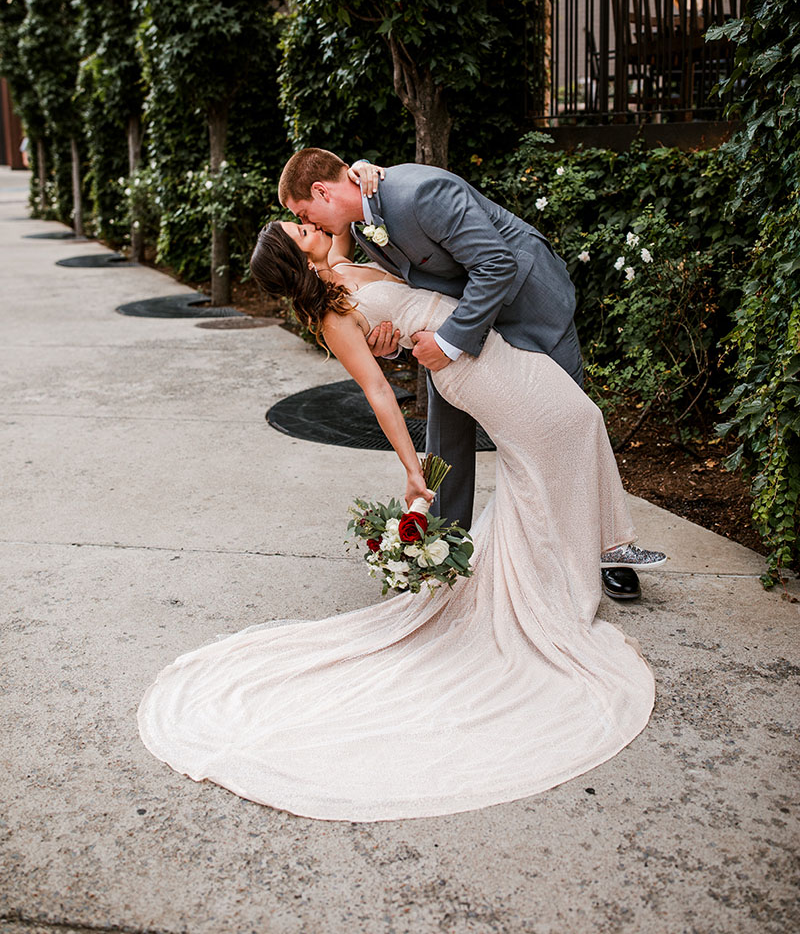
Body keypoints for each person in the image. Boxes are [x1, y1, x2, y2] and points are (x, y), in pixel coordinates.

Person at [137, 214, 660, 821]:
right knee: (572, 425)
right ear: (294, 253)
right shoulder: (334, 318)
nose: (305, 221)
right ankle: (589, 558)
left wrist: (358, 176)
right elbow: (380, 394)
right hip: (470, 367)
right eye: (295, 226)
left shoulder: (337, 266)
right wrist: (414, 470)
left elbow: (340, 211)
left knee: (553, 446)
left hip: (477, 341)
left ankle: (586, 552)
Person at [278, 149, 656, 600]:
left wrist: (446, 341)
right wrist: (391, 345)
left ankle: (599, 551)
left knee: (564, 420)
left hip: (524, 302)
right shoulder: (362, 229)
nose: (312, 224)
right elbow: (403, 294)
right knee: (448, 432)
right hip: (460, 327)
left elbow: (496, 264)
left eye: (305, 214)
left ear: (321, 192)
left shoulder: (419, 194)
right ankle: (442, 543)